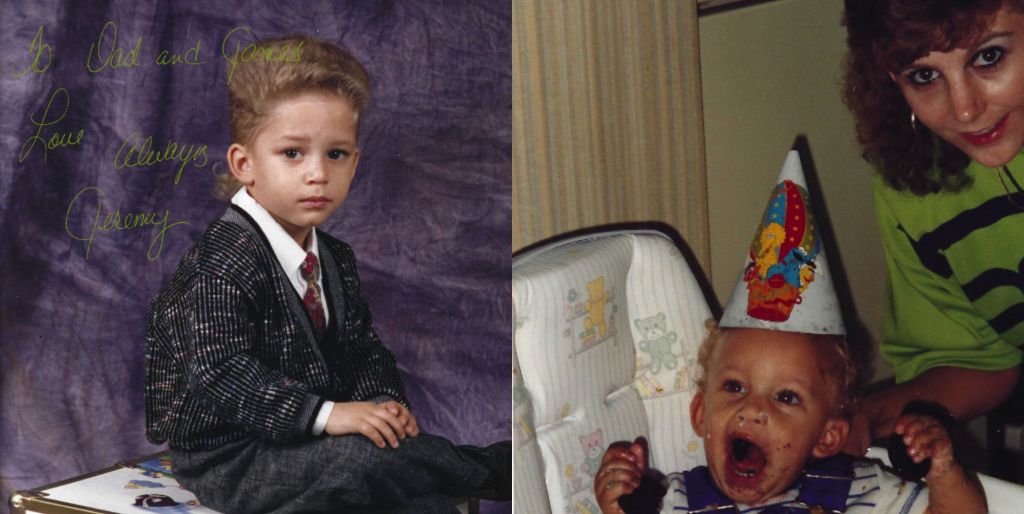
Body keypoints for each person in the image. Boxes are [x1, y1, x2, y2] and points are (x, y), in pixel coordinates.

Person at [144, 35, 509, 513]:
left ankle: (452, 480)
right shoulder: (223, 261)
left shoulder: (333, 258)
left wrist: (382, 402)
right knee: (359, 463)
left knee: (402, 482)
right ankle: (489, 471)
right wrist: (326, 413)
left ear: (354, 164)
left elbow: (362, 349)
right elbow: (221, 372)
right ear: (244, 164)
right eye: (293, 153)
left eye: (335, 154)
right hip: (233, 456)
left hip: (308, 441)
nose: (317, 173)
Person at [842, 0, 1024, 455]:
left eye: (988, 56)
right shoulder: (914, 189)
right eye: (923, 76)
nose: (964, 110)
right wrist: (862, 419)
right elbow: (978, 361)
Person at [593, 323, 986, 514]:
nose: (753, 408)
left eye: (785, 396)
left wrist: (943, 470)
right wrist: (619, 503)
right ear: (700, 414)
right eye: (734, 387)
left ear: (827, 437)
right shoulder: (673, 501)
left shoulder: (857, 490)